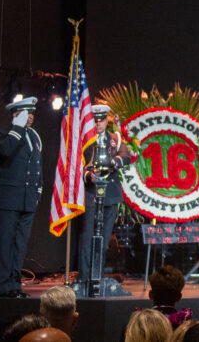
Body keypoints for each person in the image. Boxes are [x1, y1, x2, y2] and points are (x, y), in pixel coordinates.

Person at [0, 96, 43, 297]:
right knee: (6, 243)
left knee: (20, 244)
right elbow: (6, 151)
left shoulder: (34, 137)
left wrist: (38, 191)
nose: (30, 117)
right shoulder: (2, 135)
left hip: (27, 199)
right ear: (15, 115)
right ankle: (4, 287)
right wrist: (17, 128)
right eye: (25, 113)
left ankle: (14, 285)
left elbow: (37, 166)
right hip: (6, 199)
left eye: (32, 113)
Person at [76, 103, 133, 285]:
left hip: (110, 193)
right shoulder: (86, 140)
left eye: (102, 121)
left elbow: (126, 156)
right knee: (87, 237)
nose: (99, 124)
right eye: (96, 121)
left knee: (105, 236)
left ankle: (97, 276)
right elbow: (78, 165)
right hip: (92, 192)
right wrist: (88, 175)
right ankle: (85, 276)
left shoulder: (114, 138)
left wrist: (111, 162)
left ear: (107, 120)